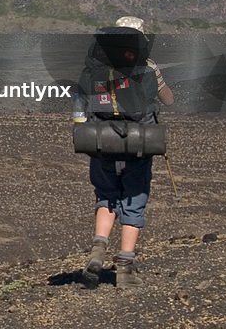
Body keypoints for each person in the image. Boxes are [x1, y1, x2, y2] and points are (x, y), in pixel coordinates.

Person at [74, 15, 174, 288]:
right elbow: (168, 99)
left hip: (101, 142)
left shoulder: (93, 67)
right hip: (139, 143)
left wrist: (82, 126)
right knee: (134, 198)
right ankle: (125, 267)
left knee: (106, 195)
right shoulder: (147, 67)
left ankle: (98, 250)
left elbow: (80, 103)